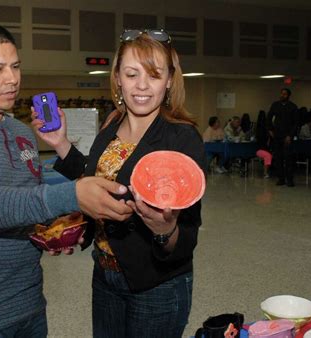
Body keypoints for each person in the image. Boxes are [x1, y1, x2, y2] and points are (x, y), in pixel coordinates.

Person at [0, 22, 132, 337]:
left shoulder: (20, 132)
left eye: (15, 67)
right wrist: (70, 195)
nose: (12, 79)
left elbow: (22, 202)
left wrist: (51, 231)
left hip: (28, 306)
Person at [33, 29, 205, 338]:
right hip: (105, 276)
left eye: (154, 75)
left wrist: (165, 231)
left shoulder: (181, 138)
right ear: (117, 78)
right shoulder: (113, 123)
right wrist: (60, 144)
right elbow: (95, 180)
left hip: (156, 285)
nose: (141, 85)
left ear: (169, 81)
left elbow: (189, 235)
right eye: (131, 73)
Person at [267, 88, 299, 187]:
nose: (282, 95)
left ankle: (289, 179)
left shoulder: (293, 107)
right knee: (278, 158)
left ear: (288, 96)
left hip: (287, 136)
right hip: (277, 135)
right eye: (281, 94)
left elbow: (296, 123)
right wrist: (270, 130)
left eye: (284, 94)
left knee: (288, 158)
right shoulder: (275, 105)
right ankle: (281, 178)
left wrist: (290, 135)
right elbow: (269, 118)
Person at [255, 110, 273, 178]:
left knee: (270, 155)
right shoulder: (262, 132)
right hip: (260, 150)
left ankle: (267, 172)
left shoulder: (259, 129)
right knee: (268, 155)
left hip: (264, 149)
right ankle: (265, 173)